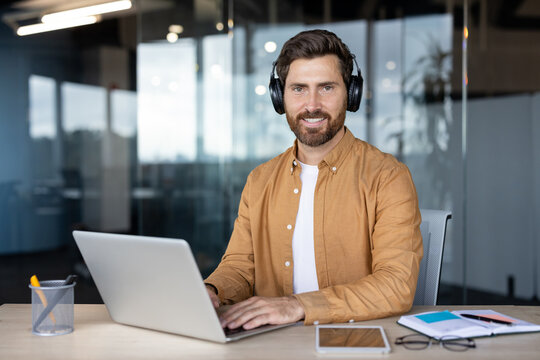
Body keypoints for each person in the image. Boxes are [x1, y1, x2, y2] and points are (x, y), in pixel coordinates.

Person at [204, 29, 423, 331]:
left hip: (353, 339)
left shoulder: (388, 177)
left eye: (327, 88)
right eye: (298, 89)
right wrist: (212, 292)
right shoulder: (260, 180)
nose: (312, 104)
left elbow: (395, 285)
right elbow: (239, 268)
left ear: (351, 93)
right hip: (272, 342)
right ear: (280, 97)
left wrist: (297, 305)